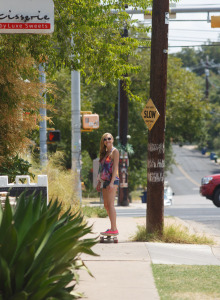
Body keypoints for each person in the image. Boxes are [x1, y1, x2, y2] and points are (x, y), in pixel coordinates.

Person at [96, 133, 119, 235]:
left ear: (112, 139)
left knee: (110, 205)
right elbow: (101, 169)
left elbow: (115, 168)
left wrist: (112, 182)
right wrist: (98, 182)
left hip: (112, 181)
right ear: (103, 142)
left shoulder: (115, 151)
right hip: (104, 181)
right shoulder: (104, 153)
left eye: (109, 138)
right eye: (105, 139)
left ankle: (114, 229)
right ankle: (113, 228)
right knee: (106, 205)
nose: (107, 140)